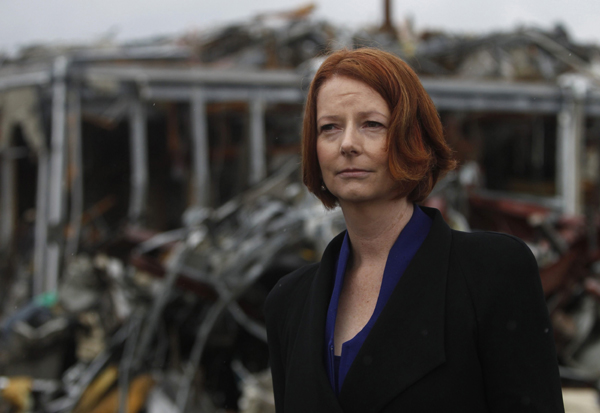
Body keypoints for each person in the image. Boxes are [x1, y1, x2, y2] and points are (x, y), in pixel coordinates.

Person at [264, 48, 564, 413]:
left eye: (371, 124)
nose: (347, 144)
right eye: (329, 127)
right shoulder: (289, 301)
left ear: (413, 138)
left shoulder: (492, 273)